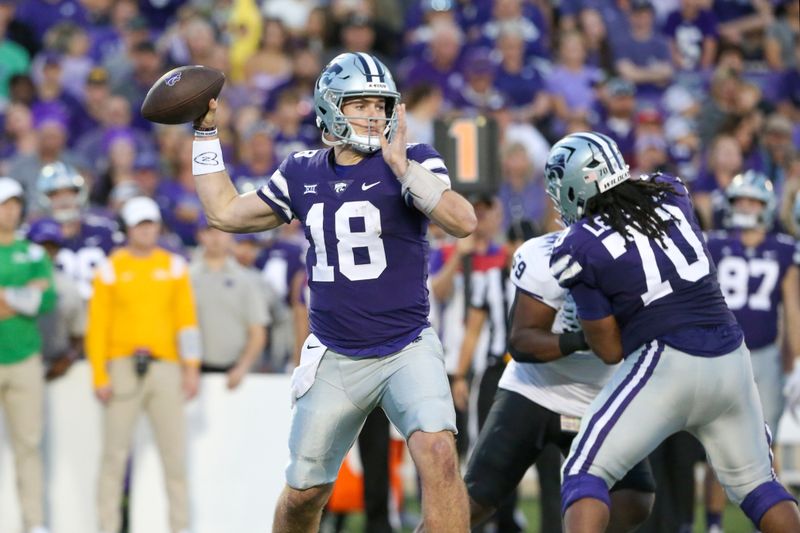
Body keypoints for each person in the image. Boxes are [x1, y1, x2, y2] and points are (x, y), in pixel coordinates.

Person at [190, 52, 476, 533]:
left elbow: (463, 221)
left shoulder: (414, 158)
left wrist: (403, 168)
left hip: (406, 344)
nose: (372, 114)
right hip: (335, 354)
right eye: (358, 103)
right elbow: (224, 212)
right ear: (329, 107)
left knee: (440, 454)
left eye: (379, 104)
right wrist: (204, 134)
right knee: (304, 495)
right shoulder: (302, 171)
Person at [544, 131, 800, 532]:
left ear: (577, 182)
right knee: (760, 488)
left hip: (664, 360)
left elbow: (610, 351)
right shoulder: (670, 191)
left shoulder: (577, 246)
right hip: (732, 356)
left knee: (583, 471)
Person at [463, 229, 655, 533]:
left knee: (634, 498)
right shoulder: (544, 252)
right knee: (473, 501)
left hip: (599, 396)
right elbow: (521, 342)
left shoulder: (641, 252)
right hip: (532, 389)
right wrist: (581, 339)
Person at [86, 196, 201, 533]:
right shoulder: (110, 268)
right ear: (129, 229)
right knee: (114, 457)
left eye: (150, 223)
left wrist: (191, 366)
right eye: (140, 224)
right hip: (121, 365)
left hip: (166, 366)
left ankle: (178, 527)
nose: (146, 230)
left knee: (174, 458)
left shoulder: (174, 266)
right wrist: (98, 374)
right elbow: (97, 327)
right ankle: (108, 527)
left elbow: (187, 321)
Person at [0, 177, 56, 533]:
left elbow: (46, 300)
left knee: (29, 445)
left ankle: (34, 523)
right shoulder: (31, 260)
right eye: (5, 204)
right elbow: (32, 296)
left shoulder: (34, 252)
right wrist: (21, 295)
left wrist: (5, 296)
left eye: (15, 203)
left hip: (24, 357)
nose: (12, 210)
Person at [190, 219, 268, 386]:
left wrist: (243, 367)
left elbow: (258, 331)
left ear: (231, 235)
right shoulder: (186, 277)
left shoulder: (246, 279)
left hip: (234, 372)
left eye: (222, 231)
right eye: (209, 231)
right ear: (200, 236)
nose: (216, 238)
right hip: (193, 372)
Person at [26, 218, 85, 381]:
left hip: (56, 365)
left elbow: (79, 334)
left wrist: (67, 359)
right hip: (16, 362)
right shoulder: (12, 280)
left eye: (52, 247)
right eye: (40, 246)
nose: (46, 252)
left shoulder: (68, 286)